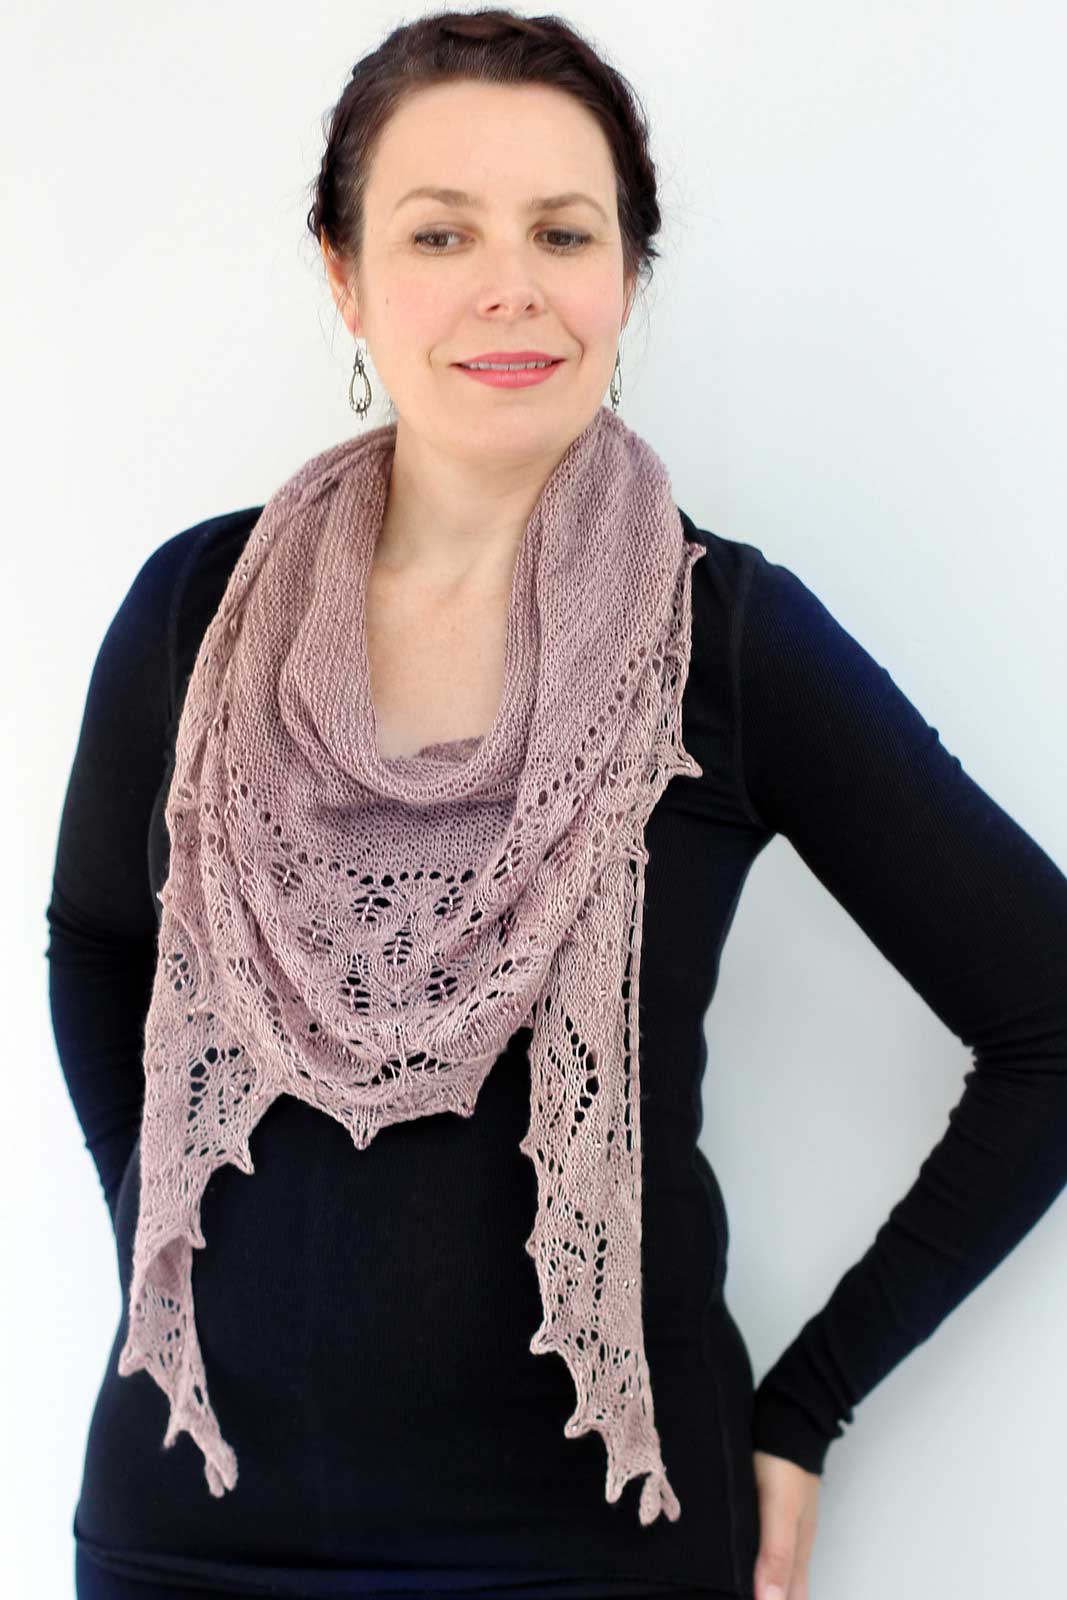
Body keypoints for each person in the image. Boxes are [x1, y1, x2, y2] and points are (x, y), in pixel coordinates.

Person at [46, 10, 1067, 1600]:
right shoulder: (199, 610)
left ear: (628, 277)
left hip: (593, 1549)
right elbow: (99, 946)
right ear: (344, 273)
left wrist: (802, 1414)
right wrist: (171, 1246)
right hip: (189, 1530)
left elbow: (1049, 1018)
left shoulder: (725, 639)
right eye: (439, 231)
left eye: (562, 232)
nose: (506, 284)